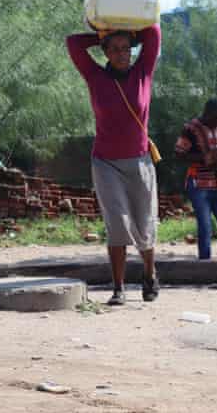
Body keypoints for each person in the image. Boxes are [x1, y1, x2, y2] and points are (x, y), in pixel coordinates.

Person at [66, 24, 162, 306]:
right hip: (106, 162)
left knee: (144, 225)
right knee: (117, 225)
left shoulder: (143, 71)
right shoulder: (95, 76)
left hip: (141, 161)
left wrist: (128, 32)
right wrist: (102, 35)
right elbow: (73, 42)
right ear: (105, 53)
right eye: (115, 49)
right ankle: (118, 287)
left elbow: (153, 32)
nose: (122, 54)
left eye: (126, 49)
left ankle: (149, 273)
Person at [174, 99, 217, 259]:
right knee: (205, 227)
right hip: (199, 184)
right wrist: (204, 158)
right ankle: (205, 264)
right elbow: (179, 153)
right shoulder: (190, 128)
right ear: (206, 114)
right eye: (216, 118)